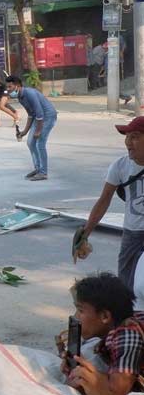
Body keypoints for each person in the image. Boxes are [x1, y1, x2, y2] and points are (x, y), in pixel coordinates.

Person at [79, 117, 144, 292]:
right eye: (127, 137)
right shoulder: (120, 166)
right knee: (126, 287)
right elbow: (104, 199)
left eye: (135, 137)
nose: (128, 142)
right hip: (133, 234)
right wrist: (84, 235)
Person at [63, 273, 144, 395]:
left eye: (80, 311)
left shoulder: (128, 334)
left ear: (105, 316)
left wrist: (90, 378)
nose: (75, 317)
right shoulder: (117, 328)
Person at [7, 74, 57, 181]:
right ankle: (38, 168)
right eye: (7, 87)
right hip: (39, 118)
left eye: (10, 87)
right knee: (30, 142)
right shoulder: (20, 97)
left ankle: (43, 173)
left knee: (40, 143)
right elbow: (31, 115)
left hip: (48, 116)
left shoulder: (30, 93)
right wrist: (24, 132)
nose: (8, 90)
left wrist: (38, 131)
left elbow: (39, 114)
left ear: (17, 86)